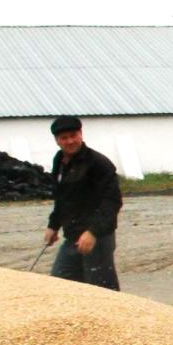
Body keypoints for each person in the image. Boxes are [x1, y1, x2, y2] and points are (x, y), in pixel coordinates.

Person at [43, 116, 122, 290]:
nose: (70, 141)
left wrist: (93, 232)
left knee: (101, 290)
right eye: (64, 138)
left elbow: (112, 202)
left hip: (97, 238)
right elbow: (62, 197)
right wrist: (53, 225)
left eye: (74, 135)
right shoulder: (59, 161)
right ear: (57, 141)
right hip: (72, 235)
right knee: (60, 285)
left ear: (81, 134)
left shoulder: (99, 164)